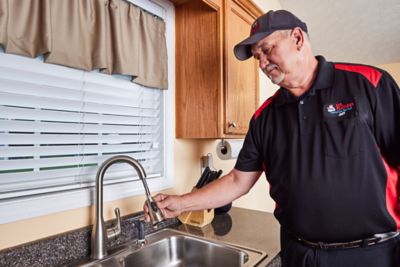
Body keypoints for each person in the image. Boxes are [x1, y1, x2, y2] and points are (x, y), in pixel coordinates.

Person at [144, 9, 400, 267]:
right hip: (298, 254)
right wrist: (181, 202)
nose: (262, 63)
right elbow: (237, 181)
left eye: (267, 49)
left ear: (298, 39)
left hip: (371, 255)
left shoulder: (369, 84)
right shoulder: (264, 118)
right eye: (257, 56)